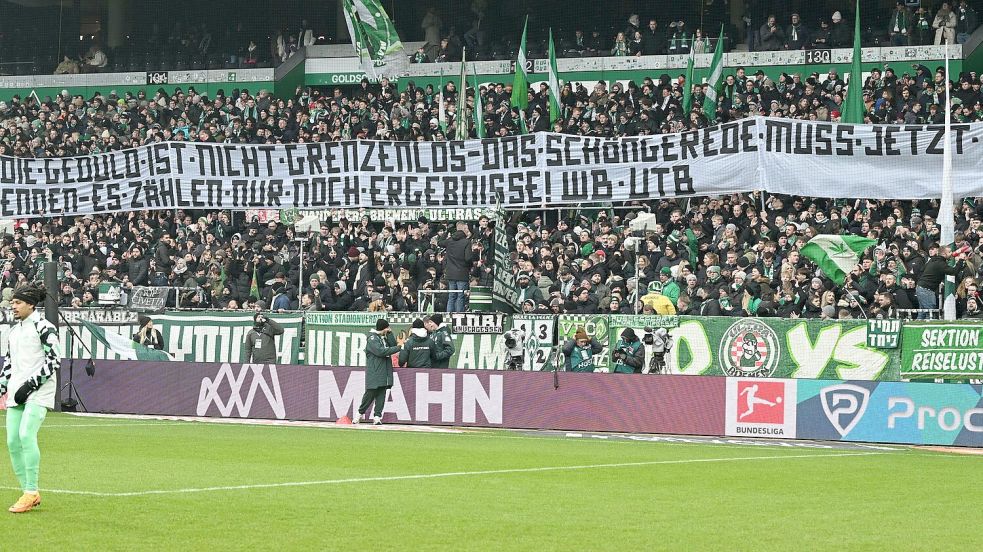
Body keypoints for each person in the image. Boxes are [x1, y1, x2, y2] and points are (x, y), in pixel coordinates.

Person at [0, 284, 60, 514]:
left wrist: (30, 384)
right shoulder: (14, 332)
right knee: (12, 442)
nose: (13, 307)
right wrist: (2, 388)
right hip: (16, 391)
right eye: (12, 303)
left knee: (26, 434)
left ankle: (31, 491)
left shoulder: (45, 327)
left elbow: (54, 360)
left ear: (31, 304)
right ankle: (29, 492)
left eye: (17, 303)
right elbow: (9, 365)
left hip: (38, 391)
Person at [355, 319, 403, 425]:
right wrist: (399, 347)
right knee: (370, 393)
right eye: (387, 328)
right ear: (383, 328)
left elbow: (392, 344)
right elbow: (380, 351)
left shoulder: (383, 337)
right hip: (375, 371)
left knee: (382, 393)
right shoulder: (372, 338)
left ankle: (377, 416)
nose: (389, 329)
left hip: (384, 370)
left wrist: (389, 333)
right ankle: (359, 413)